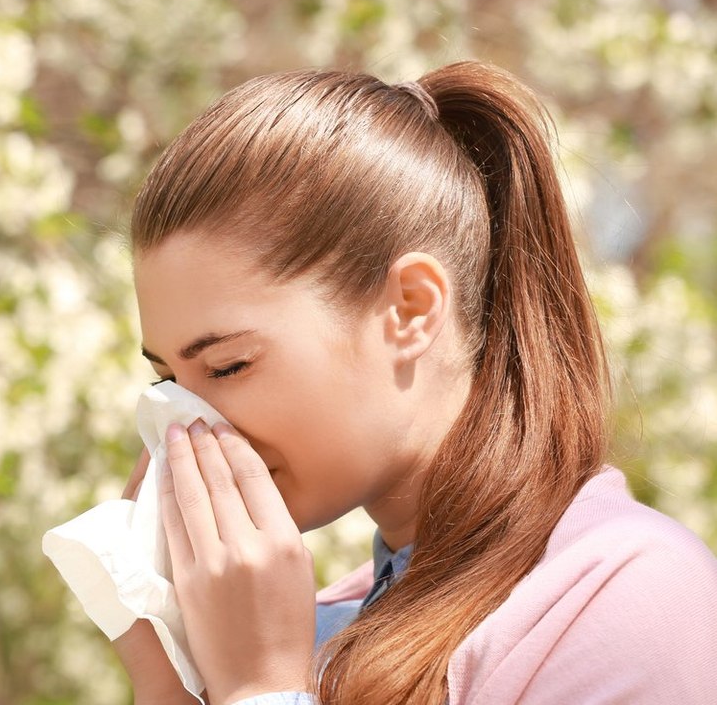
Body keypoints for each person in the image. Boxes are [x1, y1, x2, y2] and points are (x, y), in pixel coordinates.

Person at [109, 61, 717, 704]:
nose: (188, 422)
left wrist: (260, 688)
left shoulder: (622, 599)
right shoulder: (315, 629)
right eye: (169, 378)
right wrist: (168, 674)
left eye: (228, 366)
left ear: (411, 310)